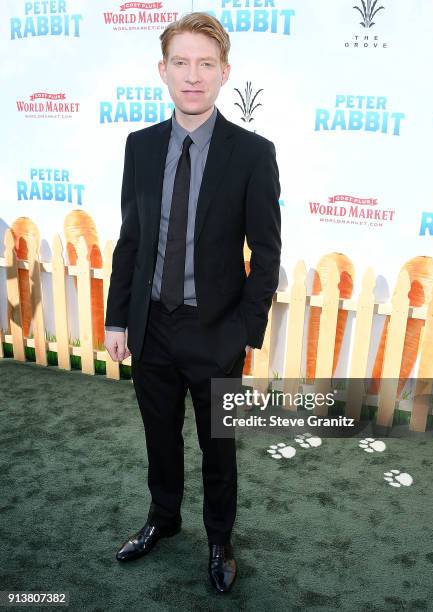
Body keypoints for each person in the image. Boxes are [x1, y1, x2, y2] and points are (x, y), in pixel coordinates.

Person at [104, 11, 281, 594]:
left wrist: (243, 333)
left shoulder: (254, 153)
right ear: (163, 70)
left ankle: (219, 538)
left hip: (216, 333)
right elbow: (131, 239)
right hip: (150, 326)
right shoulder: (139, 146)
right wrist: (116, 317)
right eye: (180, 62)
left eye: (206, 64)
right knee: (160, 437)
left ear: (224, 73)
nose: (193, 76)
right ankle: (163, 518)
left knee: (218, 447)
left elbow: (267, 251)